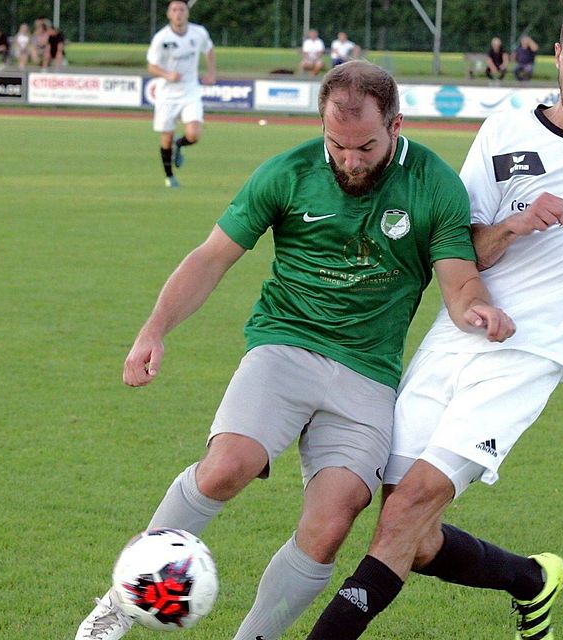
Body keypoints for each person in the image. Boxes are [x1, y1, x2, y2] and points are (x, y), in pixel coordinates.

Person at [73, 59, 515, 640]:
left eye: (365, 147)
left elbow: (458, 279)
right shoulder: (289, 171)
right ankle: (122, 604)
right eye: (338, 145)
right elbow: (211, 256)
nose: (350, 161)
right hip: (285, 346)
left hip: (369, 375)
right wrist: (154, 329)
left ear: (396, 126)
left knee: (331, 524)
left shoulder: (434, 182)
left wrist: (475, 308)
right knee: (229, 466)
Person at [305, 1, 563, 638]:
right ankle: (532, 580)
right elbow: (459, 247)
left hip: (536, 347)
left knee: (408, 511)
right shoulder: (505, 129)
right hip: (461, 329)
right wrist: (514, 226)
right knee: (408, 526)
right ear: (557, 55)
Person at [145, 0, 215, 189]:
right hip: (167, 94)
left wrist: (211, 73)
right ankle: (169, 176)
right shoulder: (161, 38)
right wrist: (168, 75)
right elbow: (151, 66)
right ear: (169, 14)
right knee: (165, 138)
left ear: (187, 13)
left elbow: (209, 49)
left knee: (194, 134)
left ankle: (180, 144)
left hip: (190, 91)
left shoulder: (198, 33)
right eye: (174, 10)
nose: (178, 13)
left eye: (182, 9)